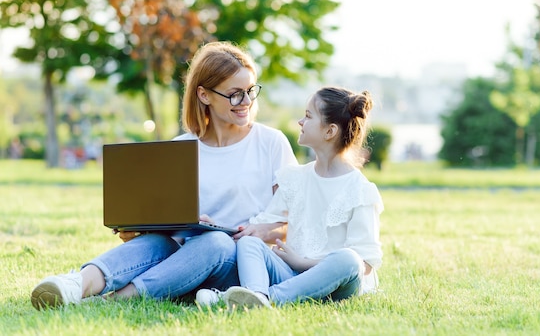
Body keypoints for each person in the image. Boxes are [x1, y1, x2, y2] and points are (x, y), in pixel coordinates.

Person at [30, 41, 297, 310]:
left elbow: (300, 219)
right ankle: (77, 284)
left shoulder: (271, 142)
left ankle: (119, 299)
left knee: (216, 240)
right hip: (186, 259)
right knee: (157, 241)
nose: (247, 102)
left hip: (242, 266)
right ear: (204, 95)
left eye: (251, 91)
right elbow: (169, 222)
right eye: (235, 94)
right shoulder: (181, 146)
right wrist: (141, 227)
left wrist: (263, 231)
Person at [220, 86, 384, 309]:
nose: (300, 122)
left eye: (308, 116)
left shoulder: (360, 190)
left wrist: (303, 263)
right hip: (292, 276)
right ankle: (256, 295)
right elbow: (260, 225)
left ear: (330, 131)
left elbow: (365, 264)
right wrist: (219, 227)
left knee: (349, 259)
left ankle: (266, 298)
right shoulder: (294, 178)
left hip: (336, 285)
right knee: (250, 243)